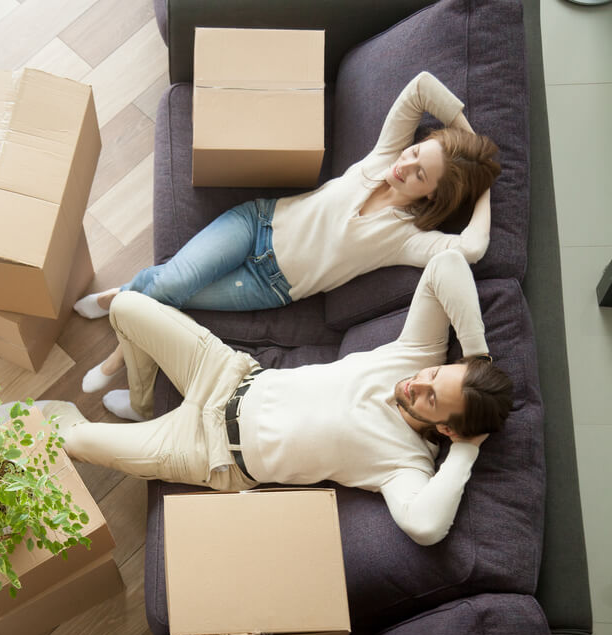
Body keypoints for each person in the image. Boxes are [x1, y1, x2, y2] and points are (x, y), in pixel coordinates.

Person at [74, 71, 501, 401]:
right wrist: (462, 135)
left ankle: (120, 301)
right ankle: (118, 359)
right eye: (414, 154)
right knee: (169, 284)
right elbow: (422, 87)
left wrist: (481, 190)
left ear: (433, 195)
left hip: (268, 286)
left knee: (170, 295)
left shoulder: (407, 238)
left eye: (419, 174)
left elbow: (472, 248)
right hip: (254, 224)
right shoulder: (385, 156)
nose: (404, 166)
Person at [47, 249, 513, 546]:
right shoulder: (415, 356)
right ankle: (144, 402)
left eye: (432, 398)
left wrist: (467, 450)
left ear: (447, 429)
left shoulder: (406, 466)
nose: (418, 383)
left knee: (75, 442)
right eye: (436, 374)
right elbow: (446, 264)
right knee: (126, 306)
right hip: (225, 374)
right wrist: (477, 355)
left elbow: (427, 528)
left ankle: (134, 419)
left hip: (210, 453)